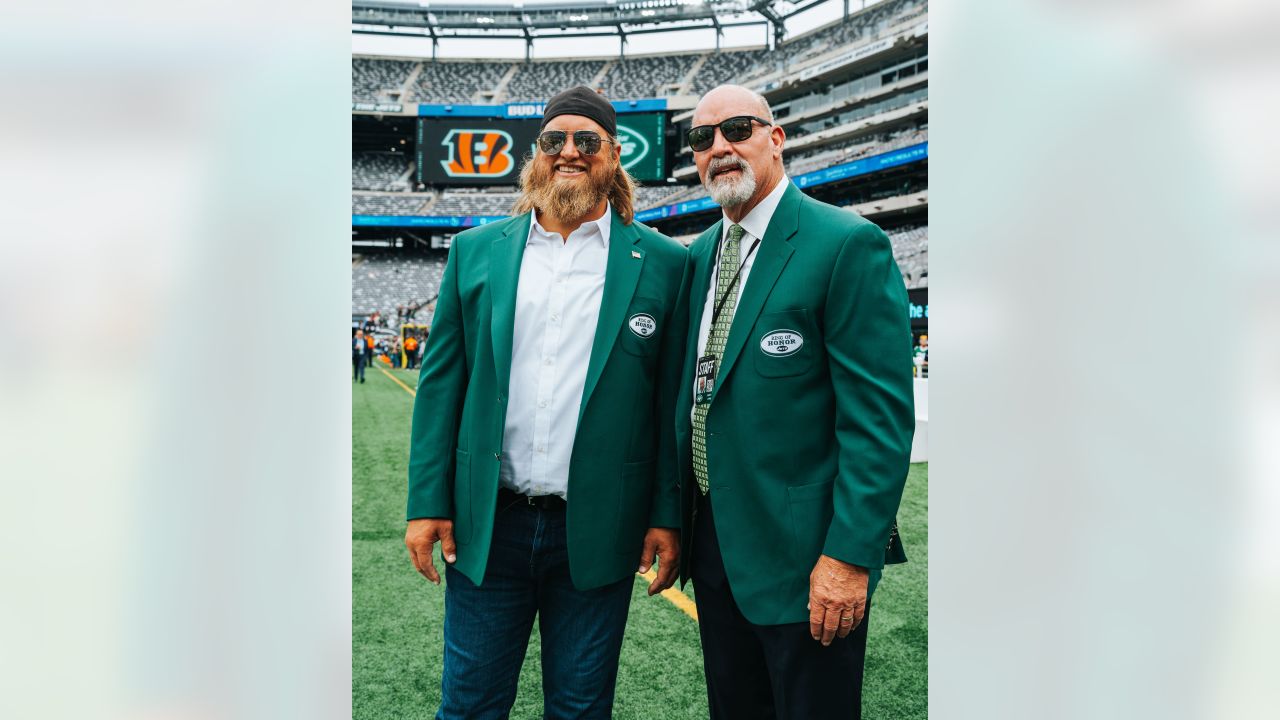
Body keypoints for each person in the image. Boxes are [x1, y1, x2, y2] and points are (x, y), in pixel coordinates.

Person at [404, 85, 689, 719]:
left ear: (613, 155)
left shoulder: (665, 264)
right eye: (555, 140)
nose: (570, 152)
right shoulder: (474, 252)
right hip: (489, 525)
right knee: (470, 705)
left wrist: (667, 515)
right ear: (536, 154)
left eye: (586, 141)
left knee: (581, 709)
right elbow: (441, 387)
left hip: (600, 529)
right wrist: (428, 502)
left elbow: (669, 406)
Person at [675, 85, 915, 720]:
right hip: (718, 550)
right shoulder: (700, 254)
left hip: (809, 559)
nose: (720, 147)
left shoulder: (844, 242)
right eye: (703, 139)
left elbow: (878, 422)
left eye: (738, 129)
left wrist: (847, 557)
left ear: (775, 138)